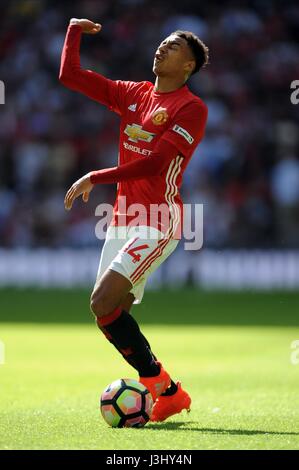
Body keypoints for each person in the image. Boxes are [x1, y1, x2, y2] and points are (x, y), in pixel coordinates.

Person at [60, 18, 208, 422]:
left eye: (174, 47)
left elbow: (156, 163)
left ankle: (162, 388)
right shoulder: (132, 94)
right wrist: (73, 31)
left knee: (101, 301)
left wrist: (95, 176)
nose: (162, 47)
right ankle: (167, 391)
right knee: (109, 312)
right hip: (123, 220)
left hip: (159, 219)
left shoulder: (191, 108)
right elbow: (70, 75)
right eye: (162, 42)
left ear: (189, 66)